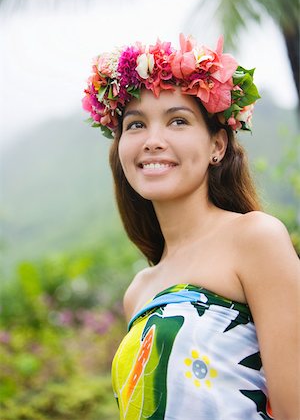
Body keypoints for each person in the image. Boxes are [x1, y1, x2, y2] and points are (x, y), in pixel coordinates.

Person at [82, 34, 300, 419]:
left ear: (217, 145)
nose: (152, 141)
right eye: (135, 125)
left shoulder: (254, 238)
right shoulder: (139, 290)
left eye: (177, 121)